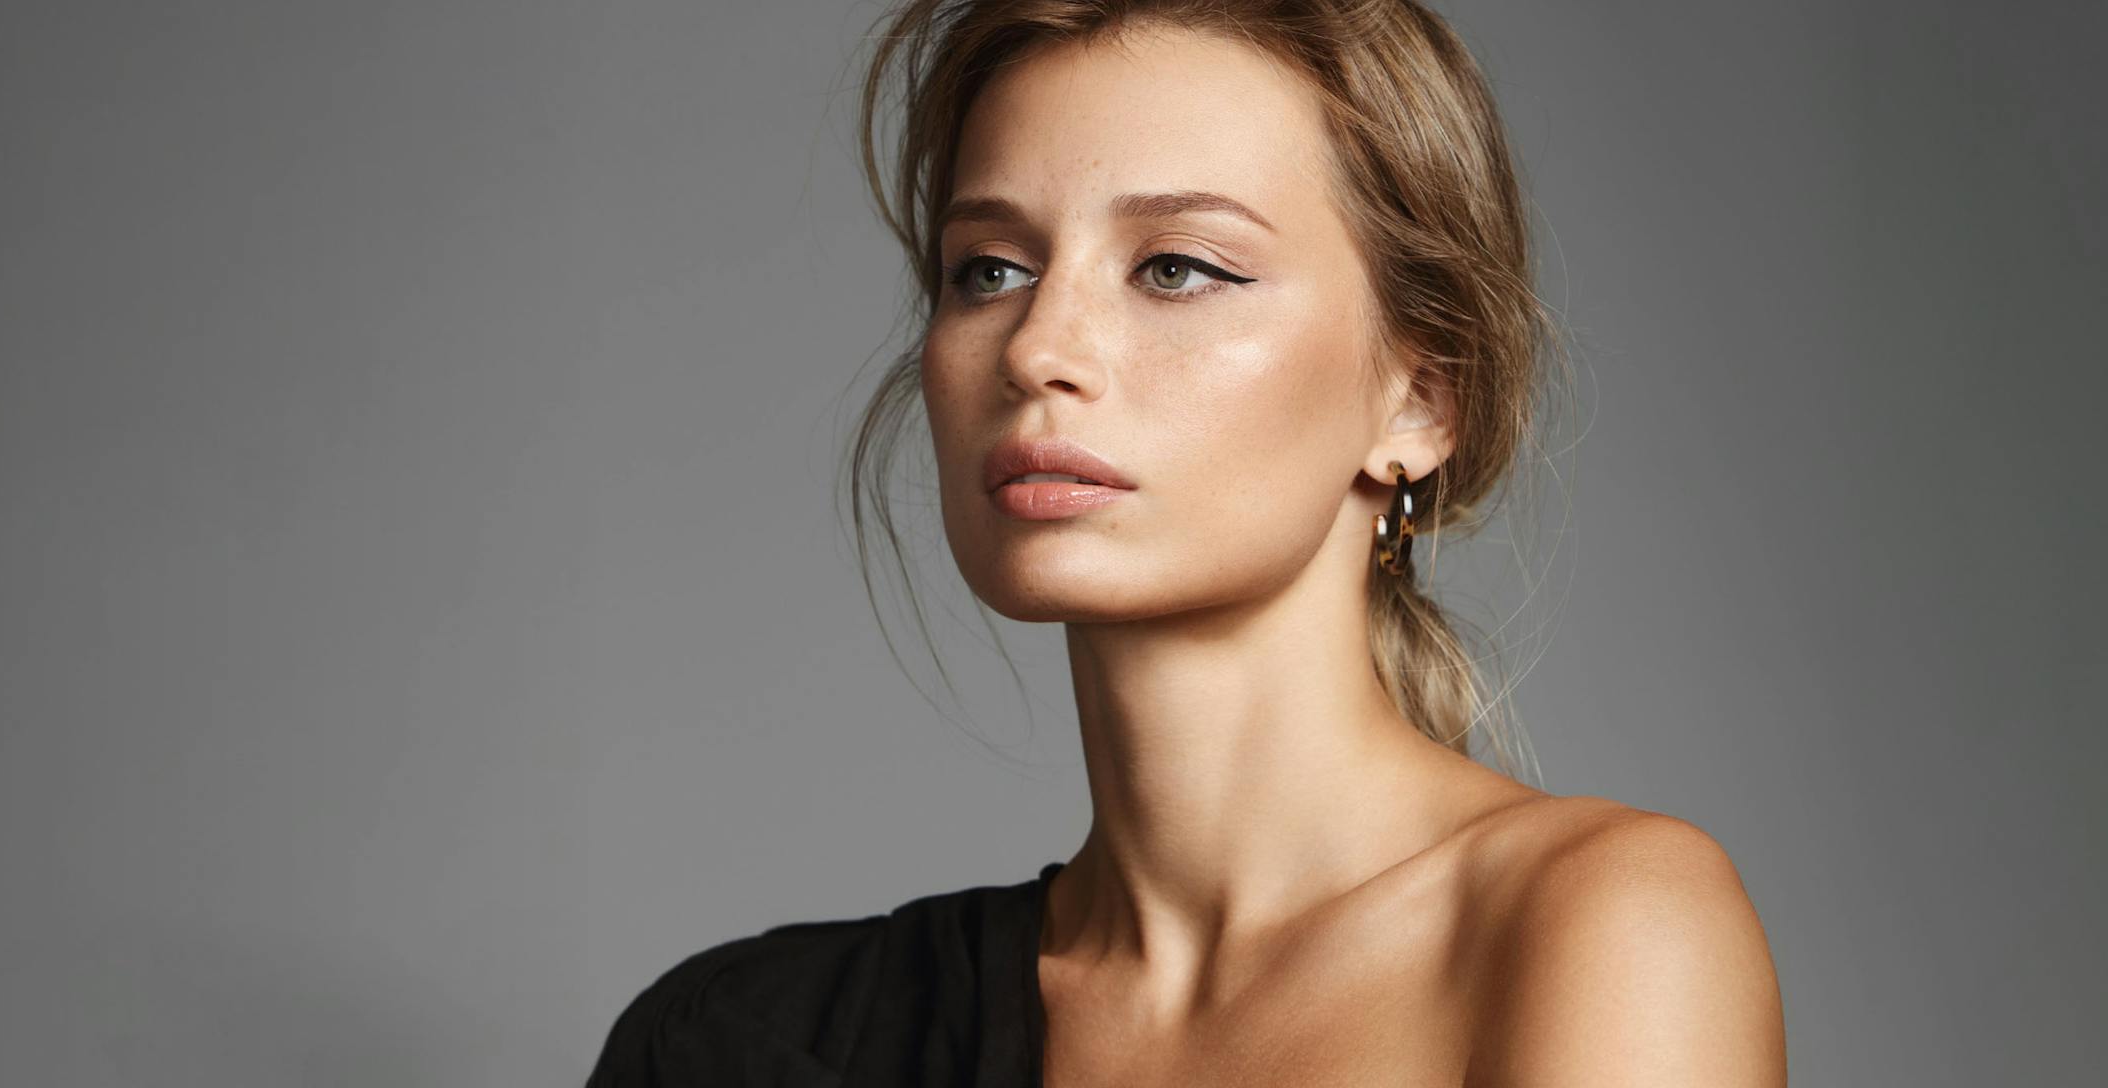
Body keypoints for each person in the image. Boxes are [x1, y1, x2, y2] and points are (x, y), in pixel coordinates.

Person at [588, 1, 1785, 1083]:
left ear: (1418, 399)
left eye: (1176, 267)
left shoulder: (1597, 925)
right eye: (988, 269)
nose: (1036, 347)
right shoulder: (741, 1041)